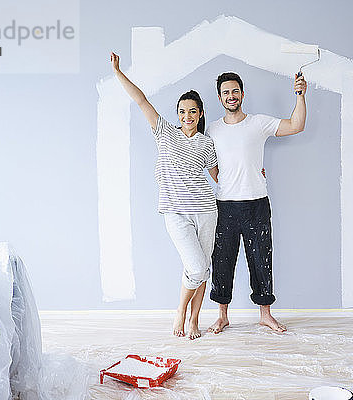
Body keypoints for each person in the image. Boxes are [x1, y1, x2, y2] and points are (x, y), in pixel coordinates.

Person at [111, 52, 218, 340]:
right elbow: (141, 100)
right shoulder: (165, 133)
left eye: (193, 111)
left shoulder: (207, 143)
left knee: (202, 269)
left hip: (207, 210)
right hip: (175, 212)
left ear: (201, 113)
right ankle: (180, 311)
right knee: (195, 267)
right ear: (177, 114)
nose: (187, 116)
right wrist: (119, 73)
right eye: (183, 112)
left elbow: (219, 177)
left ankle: (195, 319)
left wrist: (254, 173)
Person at [207, 71, 307, 333]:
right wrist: (227, 179)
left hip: (256, 205)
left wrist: (300, 95)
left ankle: (265, 315)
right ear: (220, 97)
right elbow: (210, 164)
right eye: (226, 92)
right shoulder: (213, 129)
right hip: (225, 206)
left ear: (242, 93)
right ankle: (222, 316)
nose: (231, 96)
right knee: (222, 262)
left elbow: (296, 125)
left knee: (261, 260)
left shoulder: (258, 123)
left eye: (235, 91)